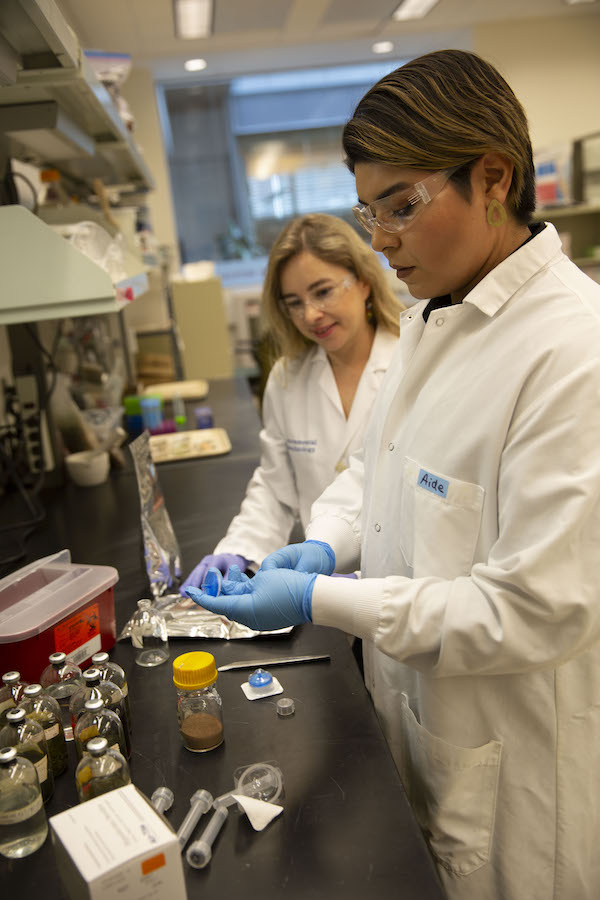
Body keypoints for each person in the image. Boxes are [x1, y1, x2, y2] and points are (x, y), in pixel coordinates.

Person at [185, 50, 600, 899]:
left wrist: (315, 601)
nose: (380, 240)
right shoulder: (436, 319)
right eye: (368, 210)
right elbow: (379, 465)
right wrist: (327, 545)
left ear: (494, 177)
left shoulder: (573, 352)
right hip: (412, 718)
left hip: (513, 770)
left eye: (402, 205)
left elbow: (531, 613)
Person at [181, 213, 402, 592]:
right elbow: (276, 488)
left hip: (398, 590)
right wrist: (239, 551)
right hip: (319, 590)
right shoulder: (287, 379)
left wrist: (364, 579)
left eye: (323, 291)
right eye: (294, 302)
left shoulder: (410, 365)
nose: (310, 315)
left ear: (363, 282)